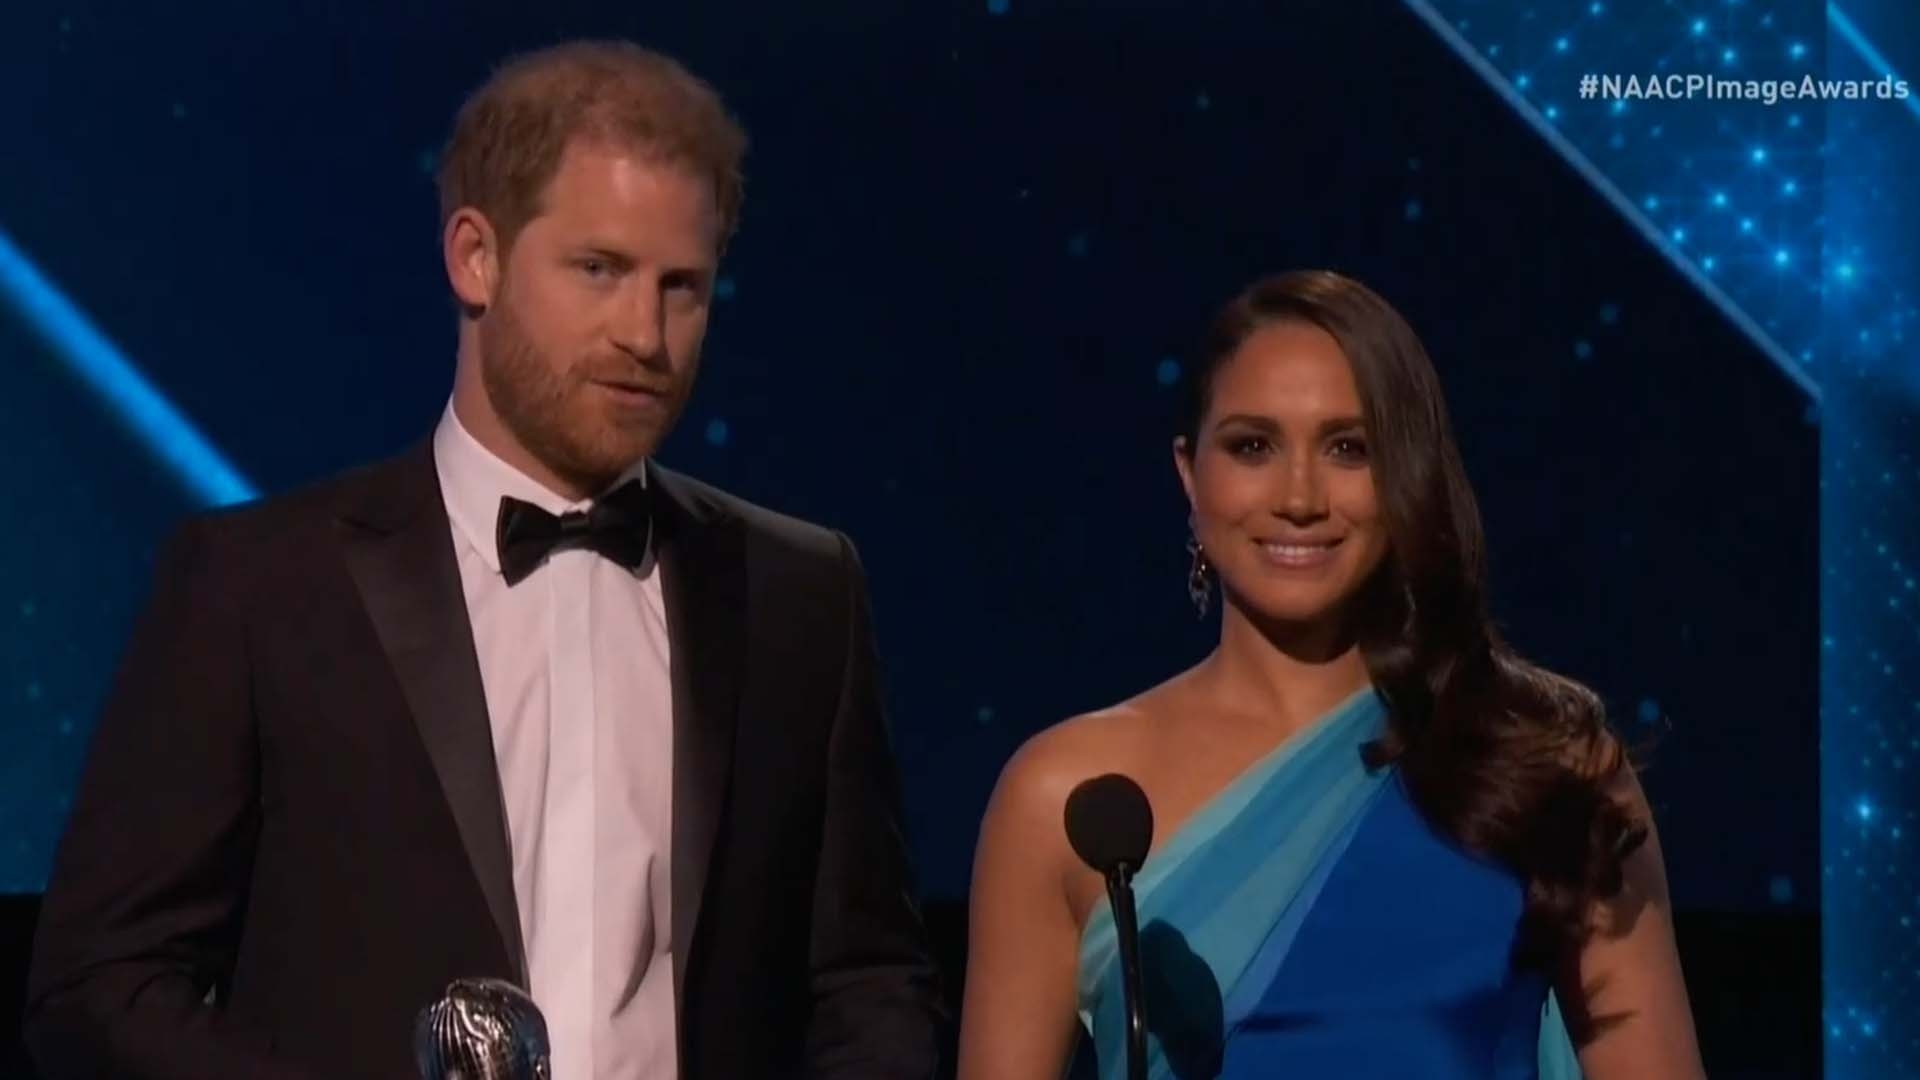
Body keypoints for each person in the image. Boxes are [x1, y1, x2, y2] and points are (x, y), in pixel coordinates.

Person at [26, 40, 943, 1080]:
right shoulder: (257, 585)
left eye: (682, 286)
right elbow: (100, 986)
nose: (646, 333)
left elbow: (867, 985)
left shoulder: (802, 592)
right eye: (599, 269)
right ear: (476, 255)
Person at [957, 270, 1704, 1079]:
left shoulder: (1545, 760)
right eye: (1253, 447)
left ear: (1407, 472)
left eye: (1349, 448)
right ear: (1189, 472)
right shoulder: (1066, 796)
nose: (1300, 497)